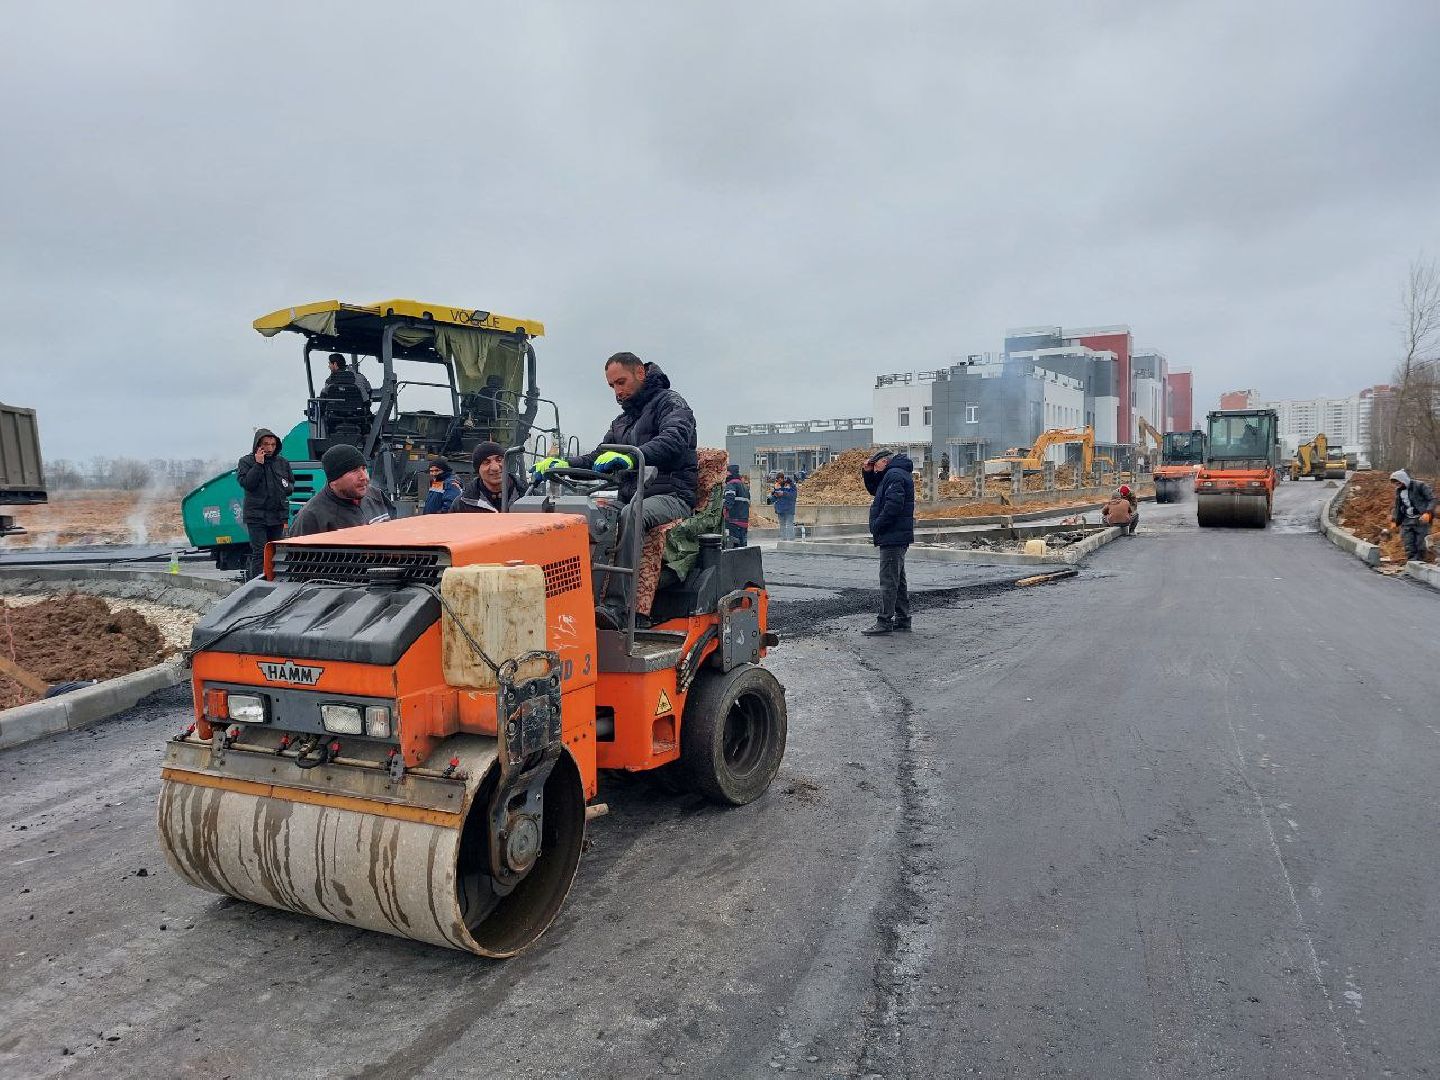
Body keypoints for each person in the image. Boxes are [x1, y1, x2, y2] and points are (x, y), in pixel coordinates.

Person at [535, 352, 698, 530]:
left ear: (640, 373)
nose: (618, 391)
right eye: (612, 386)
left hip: (671, 496)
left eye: (621, 382)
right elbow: (598, 457)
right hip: (629, 498)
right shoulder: (621, 422)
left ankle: (629, 560)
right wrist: (565, 465)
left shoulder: (671, 403)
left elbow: (673, 440)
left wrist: (632, 458)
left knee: (633, 514)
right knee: (583, 516)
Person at [861, 449, 915, 635]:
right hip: (896, 535)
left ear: (884, 461)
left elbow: (893, 505)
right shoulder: (894, 474)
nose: (875, 470)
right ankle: (903, 619)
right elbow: (876, 489)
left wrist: (877, 525)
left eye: (876, 466)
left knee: (888, 581)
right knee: (898, 581)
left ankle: (884, 621)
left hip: (893, 535)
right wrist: (867, 473)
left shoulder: (894, 475)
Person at [287, 444, 394, 537]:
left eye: (364, 468)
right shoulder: (311, 517)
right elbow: (298, 558)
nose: (364, 477)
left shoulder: (376, 495)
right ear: (334, 480)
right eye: (354, 470)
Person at [236, 428, 294, 579]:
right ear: (258, 445)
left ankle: (276, 581)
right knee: (260, 552)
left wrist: (286, 487)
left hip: (277, 515)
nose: (269, 448)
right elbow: (248, 484)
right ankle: (257, 584)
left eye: (273, 444)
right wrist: (258, 465)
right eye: (266, 444)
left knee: (276, 552)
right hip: (256, 516)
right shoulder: (246, 462)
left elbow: (290, 485)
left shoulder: (282, 462)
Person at [451, 441, 513, 513]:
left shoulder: (525, 495)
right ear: (478, 470)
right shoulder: (462, 504)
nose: (495, 468)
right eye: (486, 462)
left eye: (499, 460)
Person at [1390, 469, 1436, 563]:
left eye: (1398, 483)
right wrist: (1394, 520)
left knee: (1420, 545)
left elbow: (1432, 499)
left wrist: (1428, 512)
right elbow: (1398, 506)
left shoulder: (1420, 486)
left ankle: (1420, 564)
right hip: (1407, 520)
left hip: (1421, 519)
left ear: (1403, 480)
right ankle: (1412, 563)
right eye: (1395, 483)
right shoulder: (1399, 491)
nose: (1397, 485)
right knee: (1408, 544)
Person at [723, 464, 750, 547]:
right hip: (744, 521)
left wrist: (724, 510)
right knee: (742, 547)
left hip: (733, 521)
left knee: (734, 546)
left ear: (730, 473)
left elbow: (729, 500)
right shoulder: (744, 487)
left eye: (726, 472)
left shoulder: (731, 484)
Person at [768, 472, 798, 540]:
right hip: (780, 509)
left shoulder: (791, 485)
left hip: (789, 509)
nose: (777, 482)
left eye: (778, 480)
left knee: (789, 524)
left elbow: (793, 496)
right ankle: (783, 539)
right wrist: (772, 498)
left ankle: (791, 540)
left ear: (782, 479)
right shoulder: (777, 485)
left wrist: (783, 493)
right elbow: (775, 497)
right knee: (782, 525)